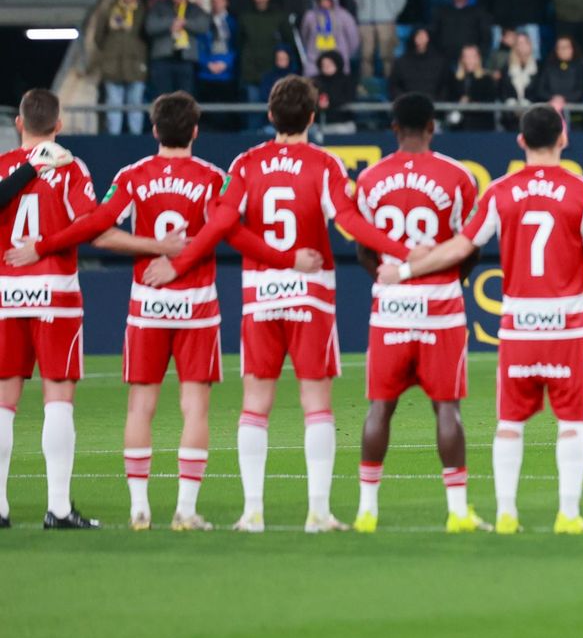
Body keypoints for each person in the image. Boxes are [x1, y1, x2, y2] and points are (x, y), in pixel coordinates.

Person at [6, 93, 307, 530]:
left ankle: (139, 508)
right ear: (196, 132)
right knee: (194, 408)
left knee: (139, 407)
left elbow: (96, 226)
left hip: (144, 306)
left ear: (153, 131)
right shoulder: (212, 178)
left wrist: (42, 245)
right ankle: (185, 509)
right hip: (196, 306)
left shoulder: (131, 175)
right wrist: (284, 259)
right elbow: (231, 231)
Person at [141, 76, 410, 532]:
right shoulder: (324, 164)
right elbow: (348, 221)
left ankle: (252, 512)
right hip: (311, 296)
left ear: (270, 116)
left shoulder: (246, 164)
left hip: (260, 297)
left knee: (255, 405)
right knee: (316, 404)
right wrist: (404, 252)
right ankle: (318, 512)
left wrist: (178, 263)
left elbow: (224, 224)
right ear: (311, 116)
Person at [375, 106, 583, 533]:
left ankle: (506, 514)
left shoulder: (500, 192)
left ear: (520, 141)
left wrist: (406, 270)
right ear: (563, 139)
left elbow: (460, 247)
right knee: (571, 422)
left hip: (518, 325)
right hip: (567, 325)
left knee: (509, 423)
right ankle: (569, 515)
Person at [0, 92, 166, 529]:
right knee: (58, 398)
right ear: (59, 125)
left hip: (5, 293)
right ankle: (57, 508)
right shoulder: (71, 168)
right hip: (55, 290)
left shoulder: (3, 167)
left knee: (3, 403)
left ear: (19, 123)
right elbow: (90, 225)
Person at [348, 94, 482, 532]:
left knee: (380, 408)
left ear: (393, 129)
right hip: (440, 306)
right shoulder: (458, 176)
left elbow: (362, 247)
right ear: (431, 127)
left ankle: (367, 510)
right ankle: (458, 511)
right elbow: (469, 246)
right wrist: (446, 279)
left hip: (390, 306)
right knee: (447, 408)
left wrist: (387, 275)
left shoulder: (369, 178)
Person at [95, 0, 148, 136]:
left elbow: (147, 35)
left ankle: (135, 138)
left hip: (135, 64)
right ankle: (114, 137)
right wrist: (108, 51)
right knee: (113, 104)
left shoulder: (143, 10)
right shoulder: (110, 9)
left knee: (135, 103)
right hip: (112, 65)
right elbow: (99, 36)